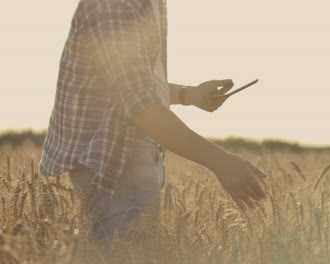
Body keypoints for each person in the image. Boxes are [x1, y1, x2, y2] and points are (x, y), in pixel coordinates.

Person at [39, 0, 268, 245]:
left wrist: (188, 94)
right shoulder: (116, 5)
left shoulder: (150, 4)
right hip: (116, 161)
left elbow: (123, 87)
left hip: (124, 159)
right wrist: (220, 161)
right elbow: (139, 105)